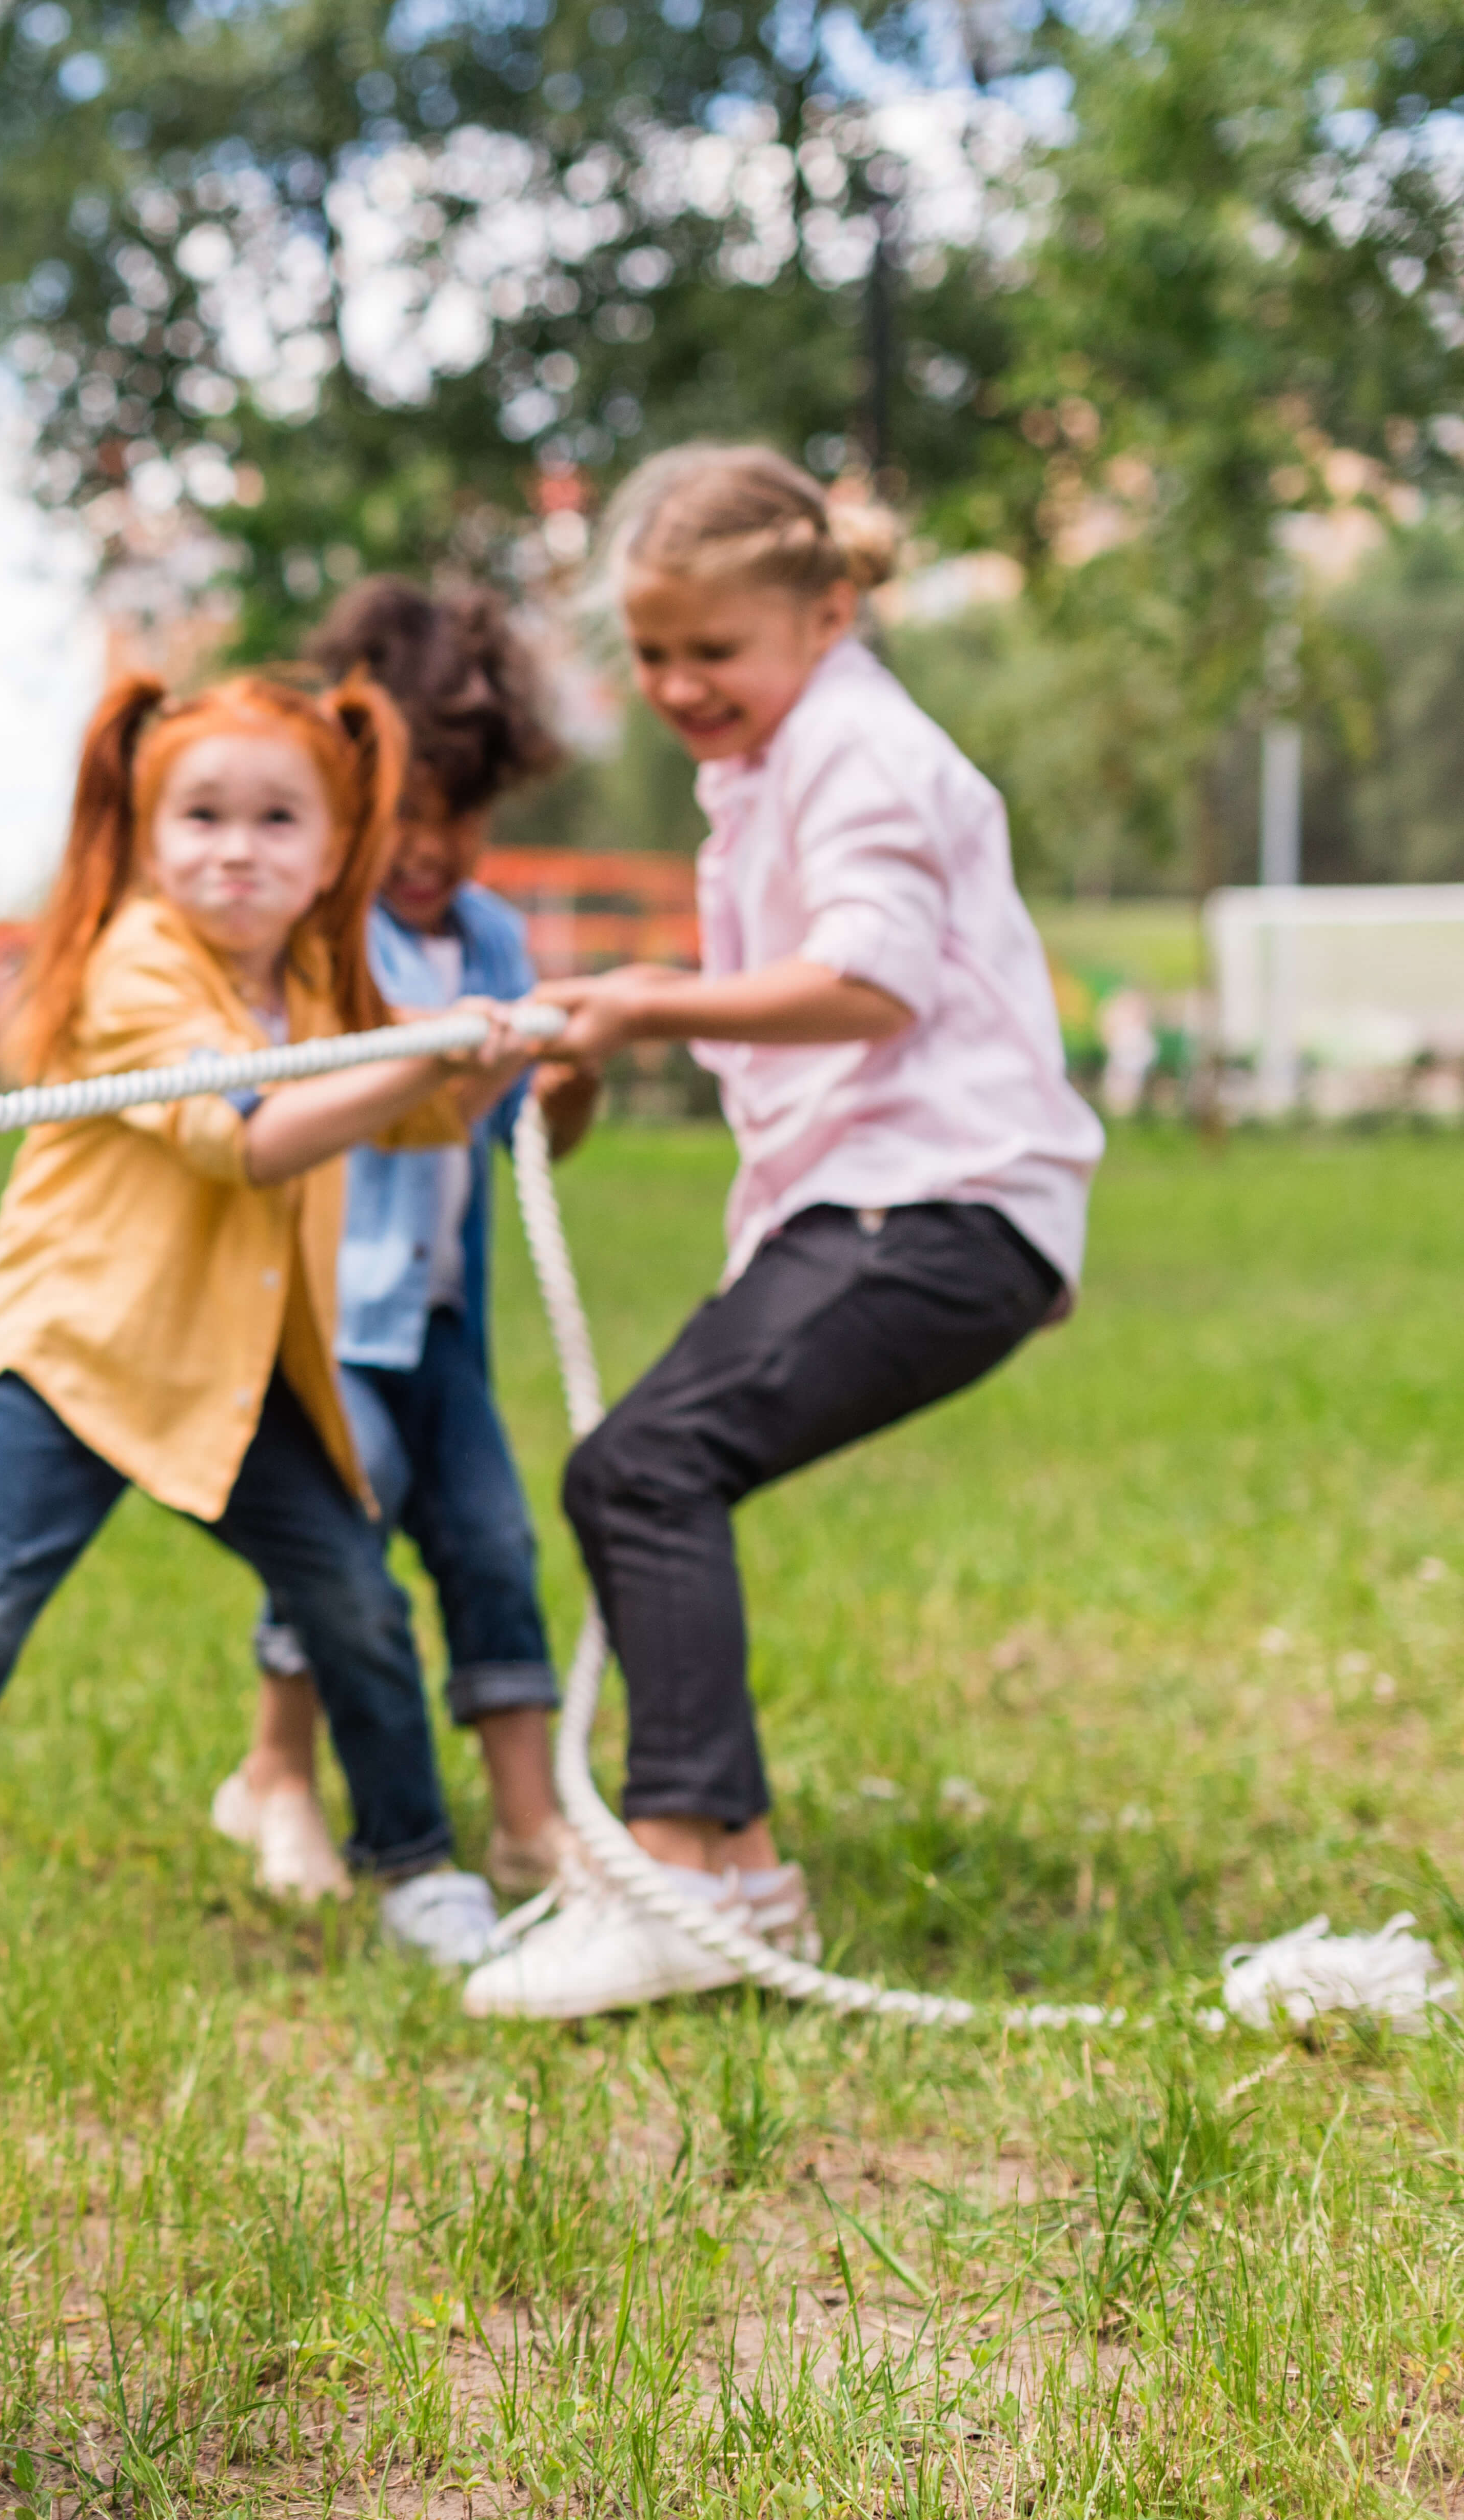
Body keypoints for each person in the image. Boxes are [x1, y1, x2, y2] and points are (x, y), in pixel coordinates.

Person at [0, 668, 542, 2000]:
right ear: (145, 831)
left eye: (279, 820)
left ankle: (417, 1864)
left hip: (234, 1365)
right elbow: (253, 1142)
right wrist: (420, 1059)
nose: (239, 850)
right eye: (204, 817)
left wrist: (491, 1051)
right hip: (80, 1353)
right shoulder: (137, 962)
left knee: (352, 1588)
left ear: (337, 844)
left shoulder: (316, 974)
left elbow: (418, 1118)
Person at [464, 444, 1103, 2022]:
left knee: (648, 1465)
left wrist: (640, 997)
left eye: (714, 652)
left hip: (943, 1211)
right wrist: (597, 1050)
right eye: (655, 654)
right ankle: (731, 1870)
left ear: (828, 612)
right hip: (897, 1208)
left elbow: (869, 982)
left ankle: (690, 1870)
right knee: (645, 1465)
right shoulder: (775, 759)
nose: (680, 685)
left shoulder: (859, 752)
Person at [226, 581, 598, 1904]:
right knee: (340, 1545)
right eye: (408, 814)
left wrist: (563, 1081)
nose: (434, 844)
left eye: (464, 813)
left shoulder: (494, 939)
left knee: (493, 1544)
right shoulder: (324, 936)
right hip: (332, 1320)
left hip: (441, 1321)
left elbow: (505, 1140)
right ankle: (277, 1774)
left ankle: (528, 1821)